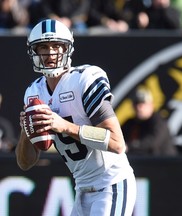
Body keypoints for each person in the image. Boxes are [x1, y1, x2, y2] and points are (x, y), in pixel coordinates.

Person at [15, 19, 136, 215]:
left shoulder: (84, 80)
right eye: (44, 47)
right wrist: (25, 129)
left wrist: (63, 126)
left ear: (67, 49)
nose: (51, 53)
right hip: (82, 189)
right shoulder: (34, 93)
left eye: (57, 46)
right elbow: (25, 162)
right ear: (34, 52)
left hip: (112, 184)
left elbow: (117, 143)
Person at [122, 87, 178, 156]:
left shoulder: (158, 121)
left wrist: (130, 146)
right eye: (136, 103)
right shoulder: (130, 123)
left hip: (163, 164)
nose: (139, 107)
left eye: (142, 103)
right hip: (139, 163)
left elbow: (153, 142)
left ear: (151, 105)